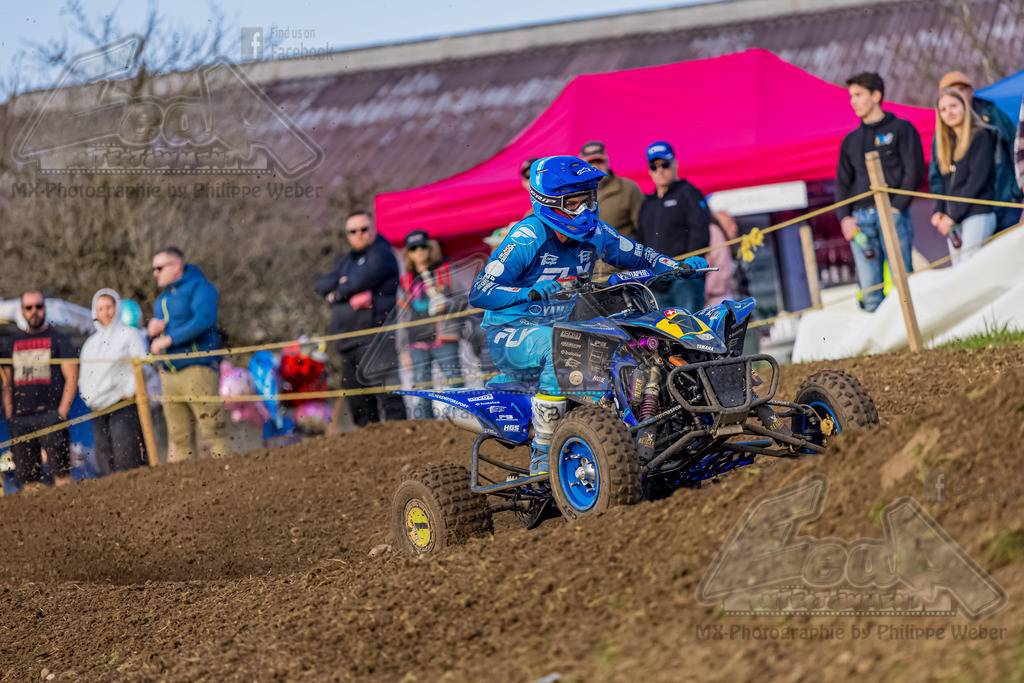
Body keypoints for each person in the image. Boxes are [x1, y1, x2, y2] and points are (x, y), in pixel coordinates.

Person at [469, 155, 707, 475]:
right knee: (561, 347)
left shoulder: (596, 233)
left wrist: (675, 266)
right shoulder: (528, 236)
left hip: (570, 322)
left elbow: (638, 255)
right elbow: (480, 291)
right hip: (514, 329)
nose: (584, 211)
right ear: (549, 202)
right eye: (574, 203)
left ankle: (654, 428)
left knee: (639, 344)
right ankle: (543, 454)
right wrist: (526, 293)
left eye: (588, 200)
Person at [835, 72, 924, 313]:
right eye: (851, 96)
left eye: (858, 95)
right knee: (870, 290)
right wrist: (844, 217)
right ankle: (882, 350)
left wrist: (897, 207)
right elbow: (842, 183)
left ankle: (913, 343)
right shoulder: (849, 140)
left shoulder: (902, 129)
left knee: (903, 282)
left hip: (892, 215)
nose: (853, 101)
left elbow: (913, 171)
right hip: (860, 221)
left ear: (876, 95)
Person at [315, 210, 407, 427]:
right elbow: (321, 283)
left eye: (364, 229)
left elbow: (359, 280)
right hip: (347, 338)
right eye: (352, 231)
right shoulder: (346, 260)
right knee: (357, 397)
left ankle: (400, 431)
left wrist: (338, 293)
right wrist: (344, 287)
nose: (359, 234)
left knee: (386, 389)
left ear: (373, 229)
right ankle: (367, 436)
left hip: (375, 334)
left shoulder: (382, 253)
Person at [147, 247, 227, 461]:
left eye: (159, 268)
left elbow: (204, 319)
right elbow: (159, 339)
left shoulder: (201, 287)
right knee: (179, 438)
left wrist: (170, 338)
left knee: (213, 431)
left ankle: (229, 479)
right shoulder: (161, 301)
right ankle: (185, 490)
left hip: (198, 369)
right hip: (169, 375)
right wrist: (153, 332)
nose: (155, 273)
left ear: (176, 266)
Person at [0, 292, 79, 489]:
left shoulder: (59, 338)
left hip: (51, 414)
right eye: (29, 307)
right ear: (22, 311)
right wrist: (10, 415)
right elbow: (7, 383)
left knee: (62, 473)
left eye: (38, 306)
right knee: (28, 479)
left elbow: (72, 376)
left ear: (44, 308)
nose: (34, 311)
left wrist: (62, 411)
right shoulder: (13, 342)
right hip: (21, 418)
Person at [928, 71, 1022, 232]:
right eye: (951, 92)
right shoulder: (942, 132)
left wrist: (1015, 191)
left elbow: (1017, 149)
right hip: (962, 212)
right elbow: (938, 175)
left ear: (971, 90)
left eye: (960, 89)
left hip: (1003, 201)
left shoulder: (992, 116)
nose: (957, 95)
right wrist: (943, 208)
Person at [396, 230, 466, 419]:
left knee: (456, 386)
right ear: (408, 253)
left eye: (422, 246)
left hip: (445, 337)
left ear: (430, 247)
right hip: (416, 343)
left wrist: (449, 304)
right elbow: (401, 318)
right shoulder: (406, 281)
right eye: (413, 248)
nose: (419, 251)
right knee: (422, 390)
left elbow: (464, 301)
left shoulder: (446, 271)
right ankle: (426, 433)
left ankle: (464, 426)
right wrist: (402, 350)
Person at [79, 289, 149, 474]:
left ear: (116, 308)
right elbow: (84, 374)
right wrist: (87, 396)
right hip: (98, 407)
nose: (105, 312)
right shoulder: (91, 343)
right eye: (100, 308)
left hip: (122, 404)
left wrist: (130, 390)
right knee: (103, 456)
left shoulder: (130, 335)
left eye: (109, 307)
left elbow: (143, 366)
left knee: (125, 455)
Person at [638, 141, 712, 313]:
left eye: (665, 164)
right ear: (649, 170)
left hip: (684, 279)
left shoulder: (688, 193)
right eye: (654, 166)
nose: (660, 170)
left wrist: (687, 268)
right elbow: (640, 240)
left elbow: (700, 234)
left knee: (689, 331)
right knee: (662, 335)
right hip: (656, 282)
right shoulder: (648, 203)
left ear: (675, 164)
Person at [930, 87, 997, 265]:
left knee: (970, 265)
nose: (949, 112)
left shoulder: (981, 136)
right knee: (959, 269)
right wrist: (940, 211)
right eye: (943, 109)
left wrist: (953, 214)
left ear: (964, 107)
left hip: (977, 213)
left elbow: (977, 181)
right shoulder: (945, 143)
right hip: (954, 219)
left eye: (953, 106)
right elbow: (944, 182)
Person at [580, 141, 643, 240]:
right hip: (585, 253)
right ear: (581, 165)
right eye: (590, 163)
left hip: (621, 253)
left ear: (607, 160)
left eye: (599, 161)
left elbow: (643, 228)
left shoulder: (628, 188)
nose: (595, 167)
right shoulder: (573, 194)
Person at [705, 211, 737, 307]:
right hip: (712, 299)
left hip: (716, 298)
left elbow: (722, 268)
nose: (735, 228)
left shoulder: (713, 232)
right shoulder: (713, 232)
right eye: (729, 224)